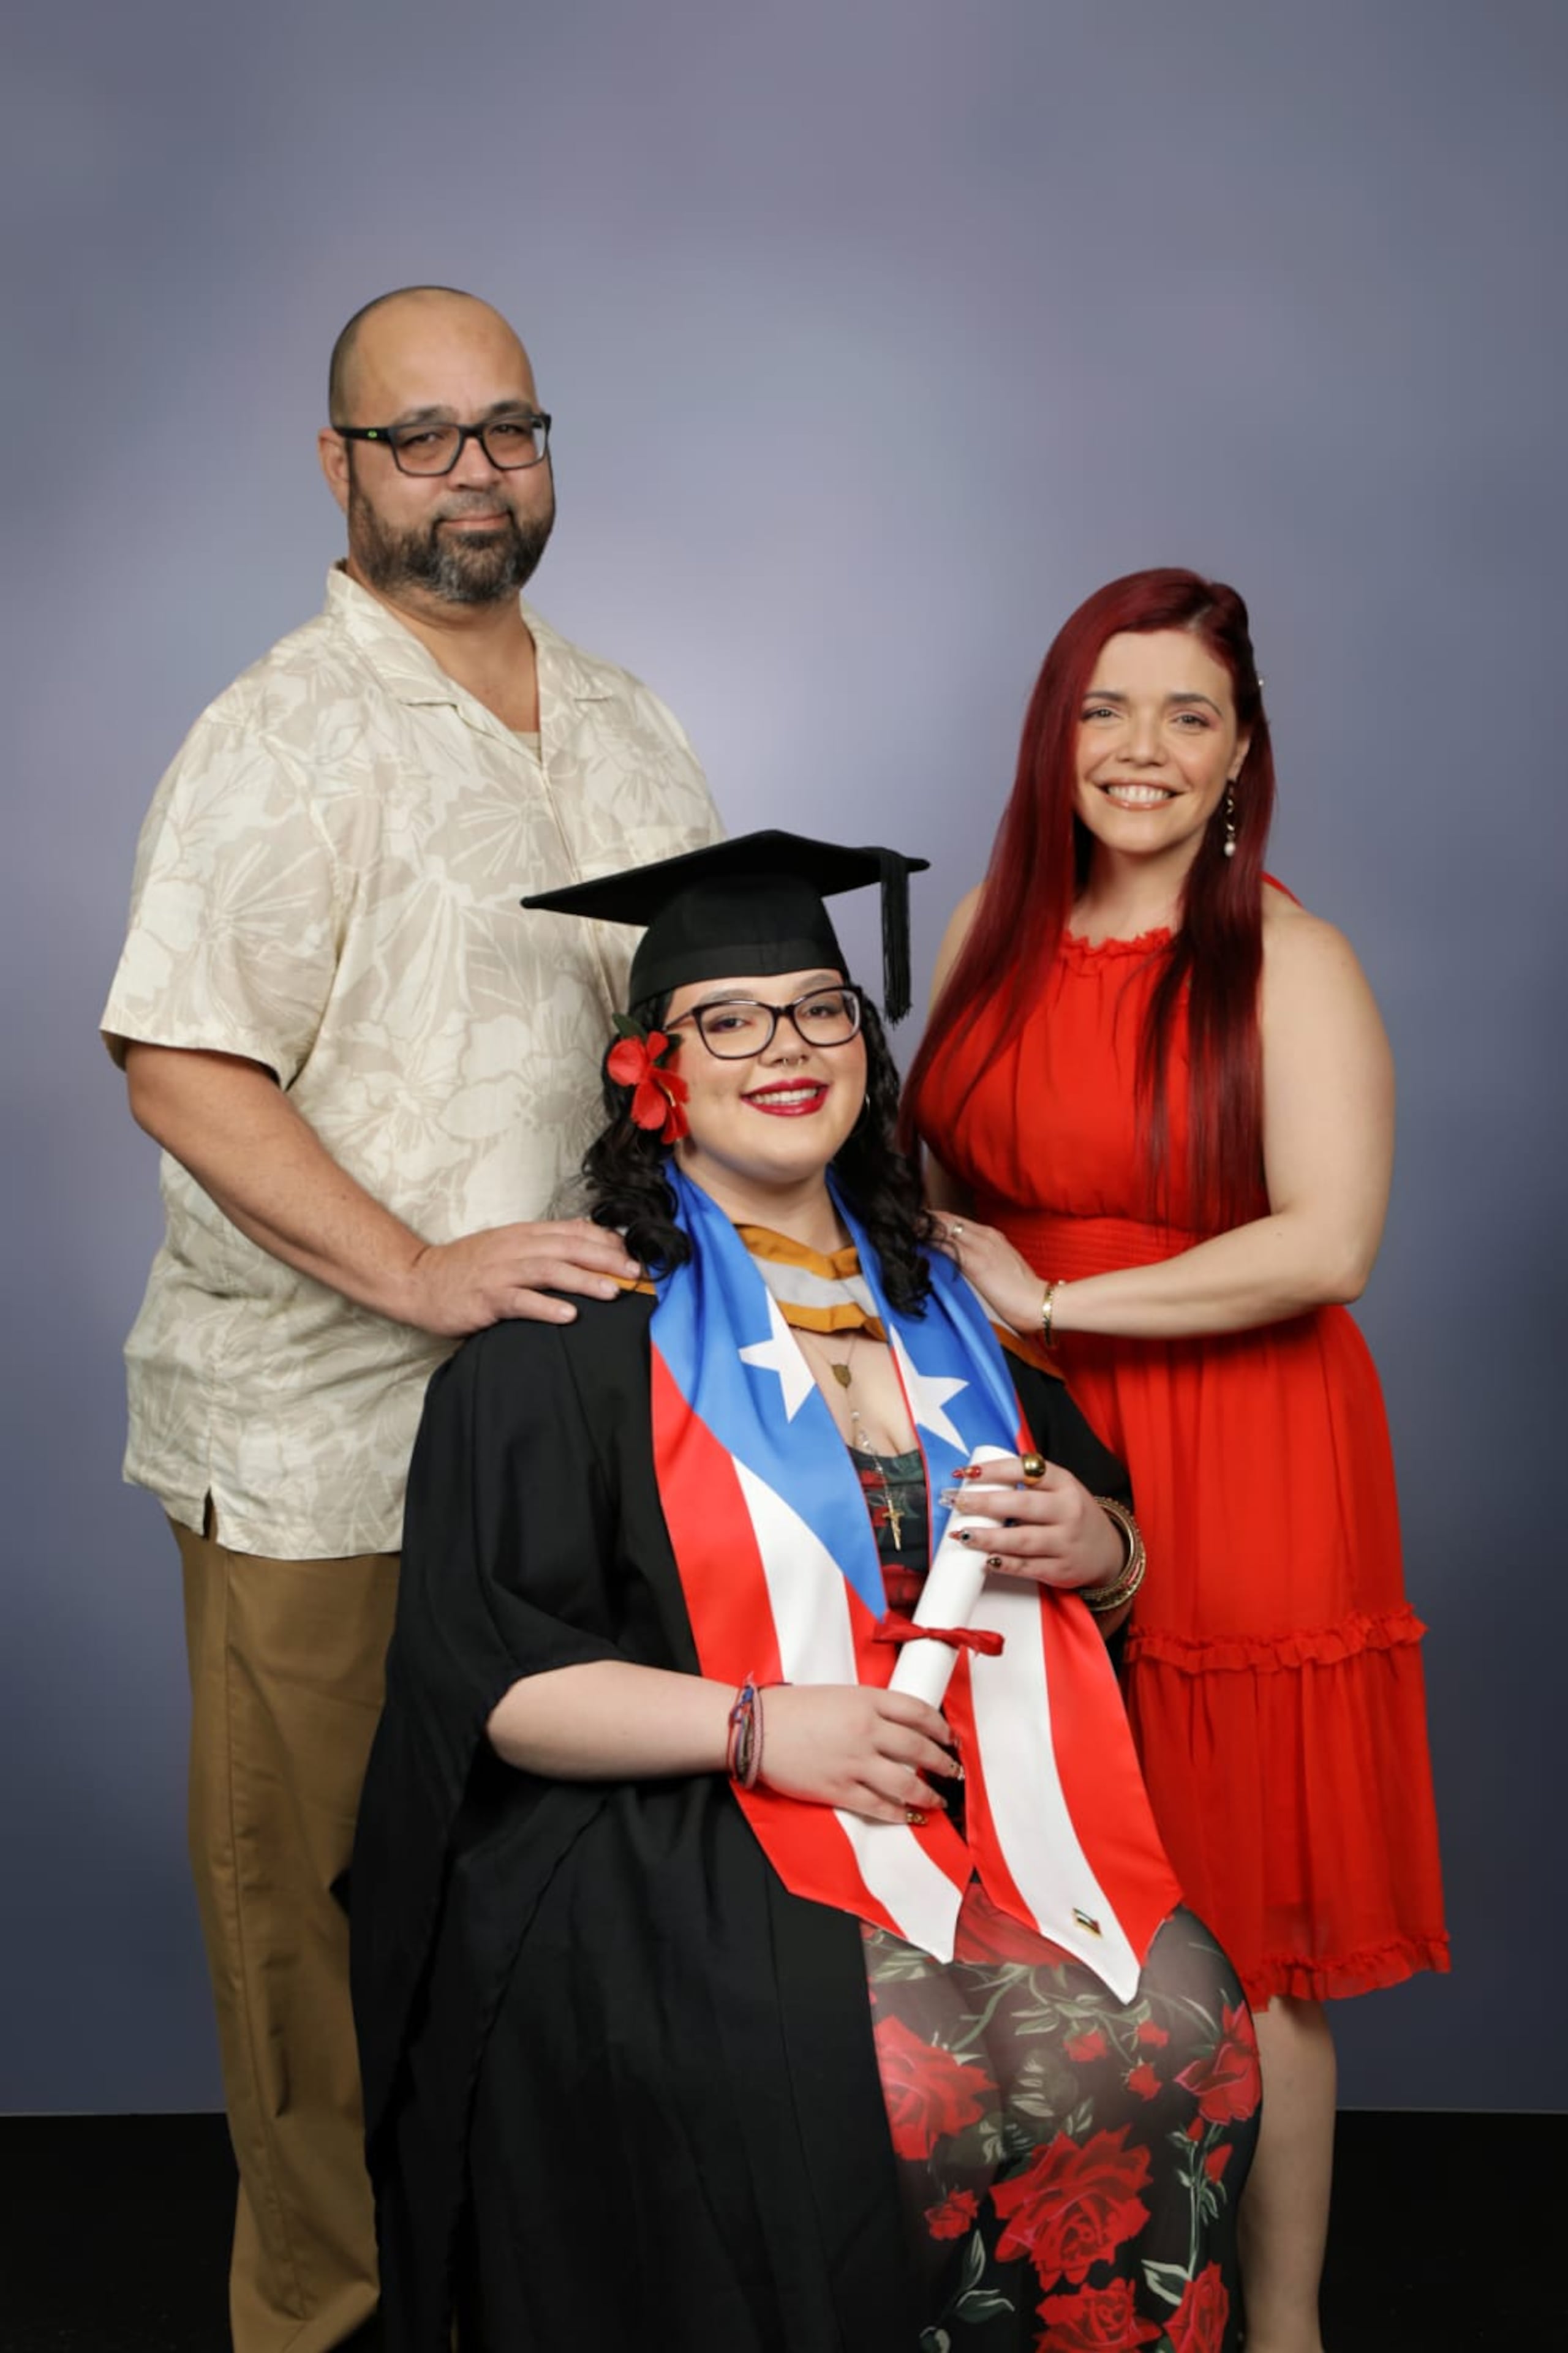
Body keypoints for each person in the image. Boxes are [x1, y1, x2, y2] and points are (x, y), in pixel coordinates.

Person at [351, 830, 1262, 2352]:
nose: (785, 1048)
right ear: (655, 1072)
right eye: (729, 1018)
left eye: (819, 1009)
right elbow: (489, 1679)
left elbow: (1106, 1550)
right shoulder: (569, 1337)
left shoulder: (957, 1306)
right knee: (883, 2067)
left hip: (985, 1803)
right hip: (689, 1819)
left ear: (863, 1044)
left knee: (1181, 2014)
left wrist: (1098, 1547)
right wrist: (761, 1728)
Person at [100, 285, 722, 2353]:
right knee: (314, 1925)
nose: (474, 472)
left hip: (569, 1433)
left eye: (508, 429)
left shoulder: (628, 719)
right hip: (323, 1438)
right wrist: (416, 1267)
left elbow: (693, 1040)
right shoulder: (282, 733)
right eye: (422, 436)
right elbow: (183, 1059)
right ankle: (322, 2320)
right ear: (340, 469)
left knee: (549, 1895)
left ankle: (516, 2293)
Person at [903, 570, 1449, 2353]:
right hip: (1024, 1434)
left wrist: (1057, 1288)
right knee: (1046, 1881)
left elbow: (1329, 1244)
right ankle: (1085, 2290)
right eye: (1105, 710)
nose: (1141, 750)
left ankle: (1278, 2328)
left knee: (1250, 1925)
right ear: (1056, 738)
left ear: (1240, 760)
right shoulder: (993, 918)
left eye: (1187, 717)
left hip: (1243, 1447)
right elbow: (925, 1180)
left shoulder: (1293, 959)